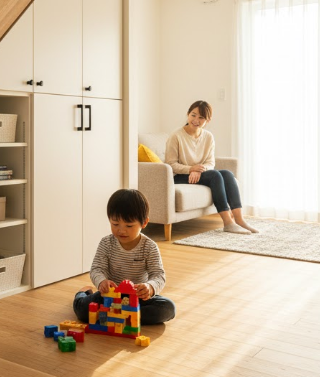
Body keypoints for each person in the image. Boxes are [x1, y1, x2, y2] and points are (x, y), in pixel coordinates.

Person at [73, 189, 175, 325]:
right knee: (82, 311)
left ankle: (120, 315)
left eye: (129, 225)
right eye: (115, 224)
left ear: (144, 223)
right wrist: (102, 282)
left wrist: (149, 287)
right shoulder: (106, 243)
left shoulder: (149, 246)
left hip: (137, 298)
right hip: (109, 297)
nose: (121, 230)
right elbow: (97, 269)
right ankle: (83, 293)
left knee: (168, 308)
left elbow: (158, 275)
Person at [166, 100, 258, 234]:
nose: (196, 120)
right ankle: (228, 223)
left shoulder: (208, 137)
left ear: (207, 120)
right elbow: (171, 164)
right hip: (179, 176)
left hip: (199, 173)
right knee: (215, 175)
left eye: (201, 117)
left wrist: (199, 170)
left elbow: (210, 162)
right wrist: (191, 169)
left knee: (227, 174)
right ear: (188, 114)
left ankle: (239, 220)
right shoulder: (176, 136)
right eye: (193, 115)